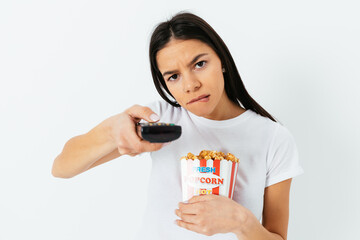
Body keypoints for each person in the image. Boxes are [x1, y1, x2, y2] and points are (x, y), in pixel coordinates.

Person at [52, 11, 304, 240]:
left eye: (200, 64)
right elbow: (62, 167)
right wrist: (111, 130)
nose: (190, 85)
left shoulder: (273, 138)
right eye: (173, 76)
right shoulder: (160, 119)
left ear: (223, 61)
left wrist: (242, 223)